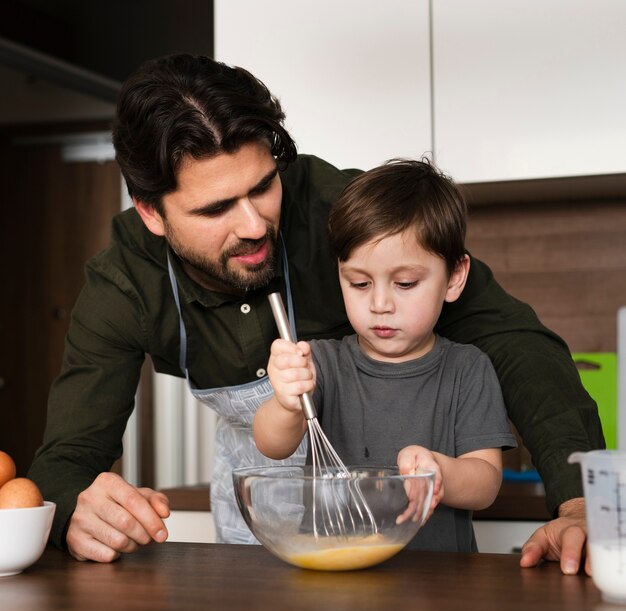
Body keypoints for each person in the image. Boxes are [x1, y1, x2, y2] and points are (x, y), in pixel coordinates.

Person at [27, 53, 601, 571]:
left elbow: (515, 341)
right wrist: (78, 508)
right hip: (248, 531)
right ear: (152, 213)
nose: (253, 225)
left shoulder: (345, 213)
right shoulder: (124, 282)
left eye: (263, 186)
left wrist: (579, 503)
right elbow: (69, 458)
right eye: (217, 207)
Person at [254, 159, 518, 551]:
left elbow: (485, 484)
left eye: (405, 283)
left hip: (438, 587)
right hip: (336, 579)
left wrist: (439, 470)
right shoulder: (323, 363)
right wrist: (287, 404)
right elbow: (270, 444)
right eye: (359, 283)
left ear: (455, 277)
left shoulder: (467, 369)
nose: (380, 303)